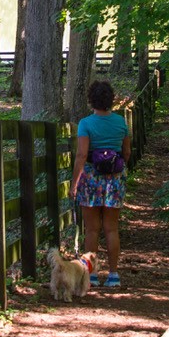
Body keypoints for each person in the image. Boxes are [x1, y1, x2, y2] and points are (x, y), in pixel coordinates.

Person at [70, 79, 131, 288]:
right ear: (111, 100)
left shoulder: (85, 124)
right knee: (111, 229)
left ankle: (92, 275)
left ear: (91, 100)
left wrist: (74, 183)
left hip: (90, 178)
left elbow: (81, 154)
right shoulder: (121, 123)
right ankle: (114, 275)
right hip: (114, 179)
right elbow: (127, 152)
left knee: (92, 229)